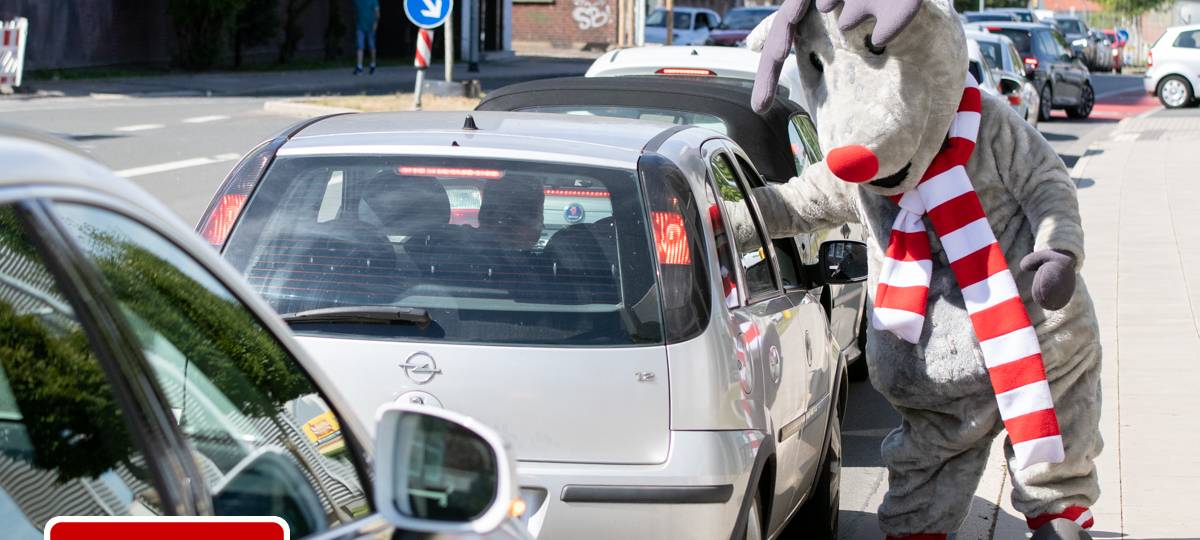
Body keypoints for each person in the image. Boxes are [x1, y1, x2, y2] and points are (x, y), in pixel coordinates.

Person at [354, 0, 380, 75]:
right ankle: (359, 67)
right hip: (360, 26)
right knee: (360, 46)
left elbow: (377, 13)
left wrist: (375, 23)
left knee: (371, 46)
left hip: (371, 26)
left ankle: (373, 64)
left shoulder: (373, 1)